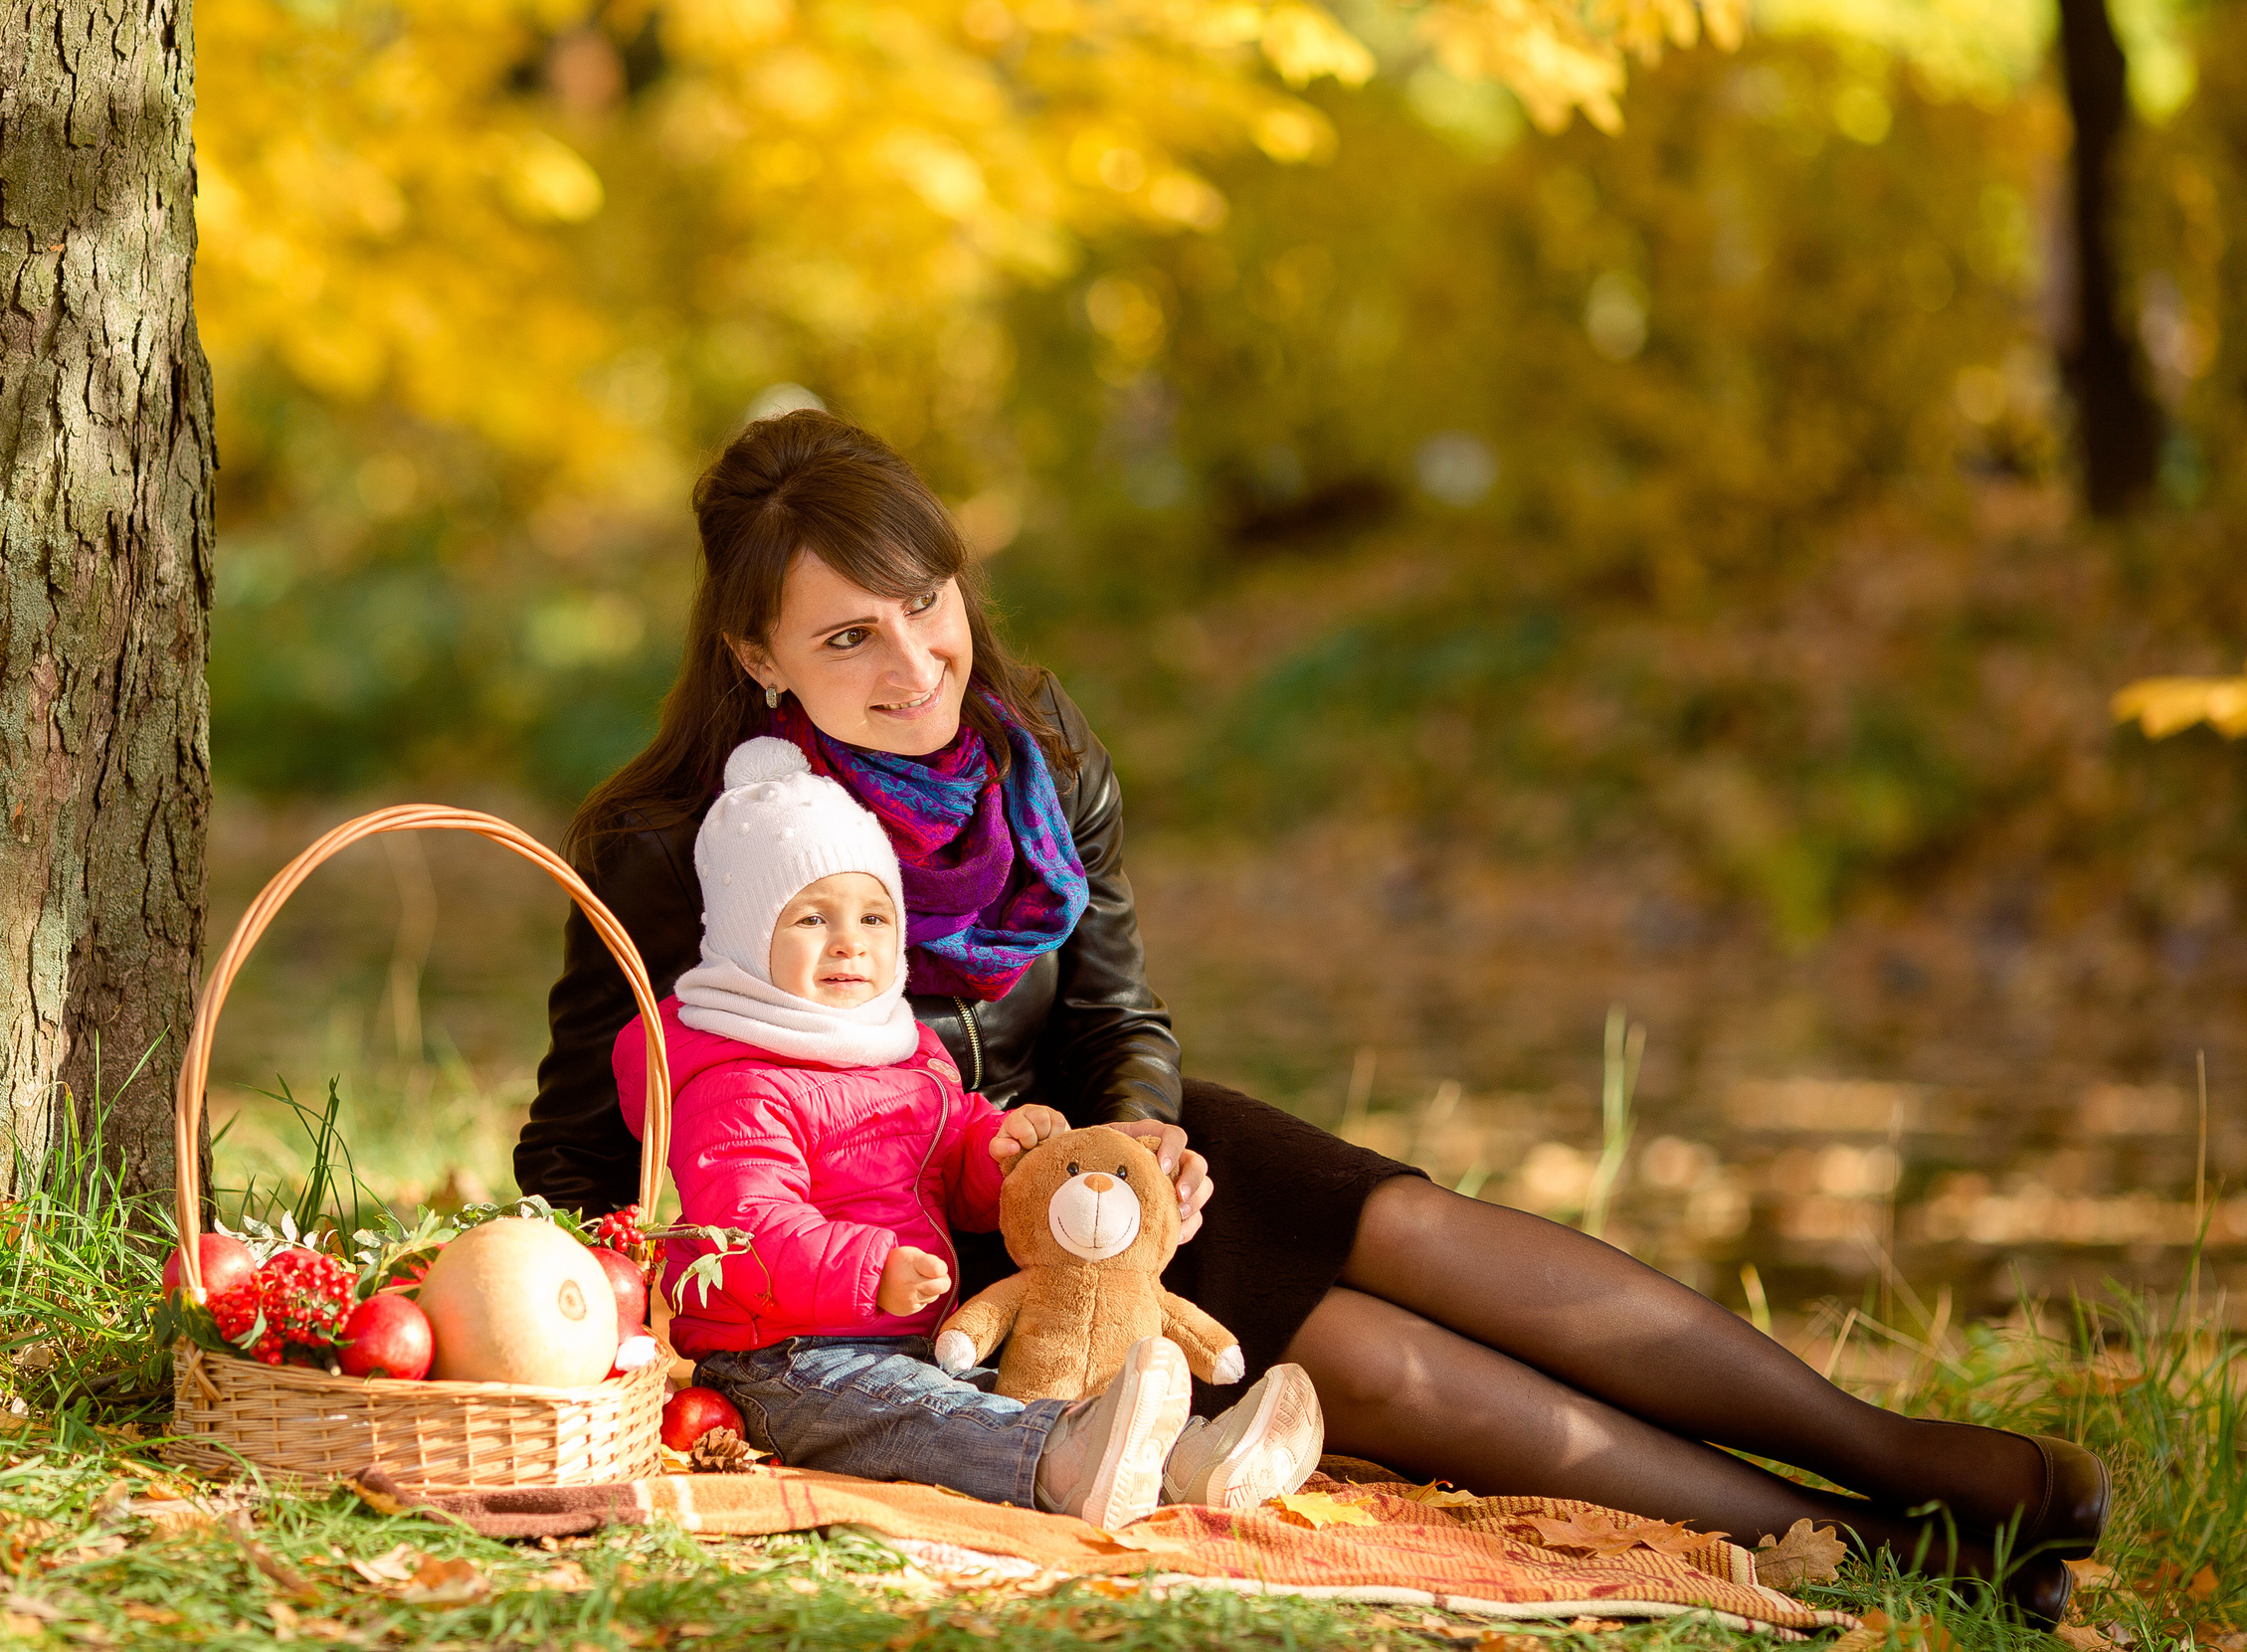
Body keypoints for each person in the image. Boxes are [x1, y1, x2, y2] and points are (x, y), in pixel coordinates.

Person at [518, 411, 2107, 1615]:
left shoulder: (1037, 758)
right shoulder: (674, 842)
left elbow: (1118, 1006)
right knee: (1381, 1361)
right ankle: (1868, 1542)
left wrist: (1138, 1115)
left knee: (1409, 1221)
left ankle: (1892, 1448)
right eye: (846, 634)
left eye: (923, 602)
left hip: (1108, 1155)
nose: (912, 656)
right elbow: (582, 1143)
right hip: (939, 1251)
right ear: (756, 652)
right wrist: (614, 1294)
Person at [612, 733, 1328, 1527]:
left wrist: (1006, 1154)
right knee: (918, 1416)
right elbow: (742, 1228)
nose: (852, 941)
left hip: (908, 1338)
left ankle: (1190, 1461)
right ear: (749, 939)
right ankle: (1062, 1463)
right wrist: (871, 1267)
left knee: (983, 1395)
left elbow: (958, 1166)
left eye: (875, 916)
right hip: (782, 1359)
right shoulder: (736, 1080)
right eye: (813, 918)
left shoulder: (905, 1052)